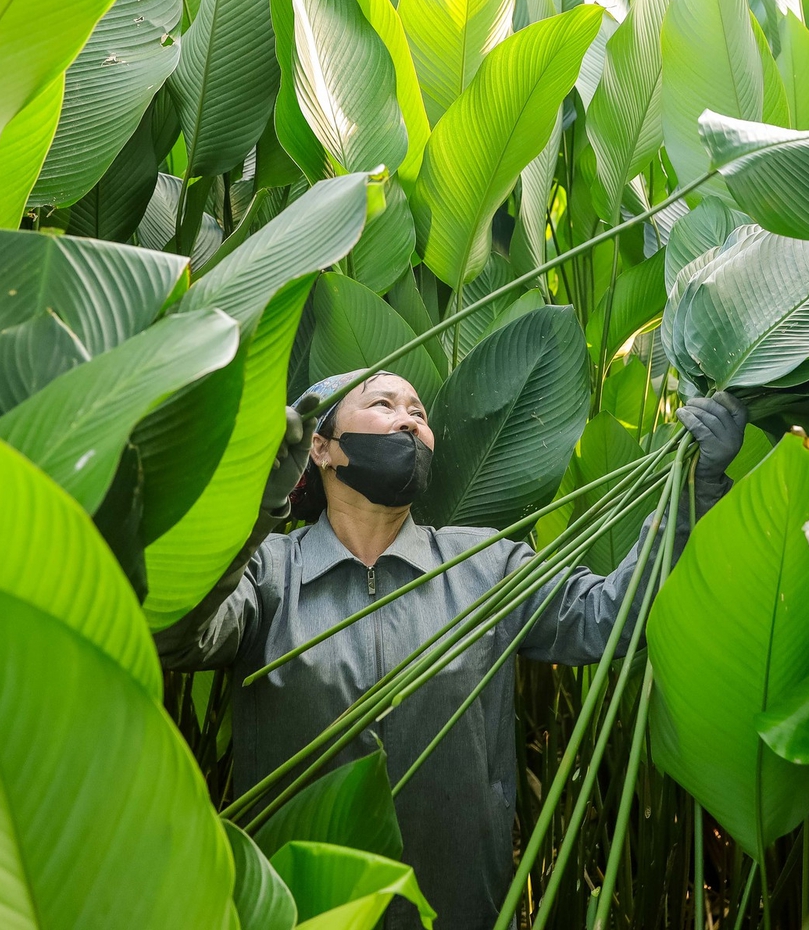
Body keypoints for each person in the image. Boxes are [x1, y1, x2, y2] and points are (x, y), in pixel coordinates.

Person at [156, 369, 747, 930]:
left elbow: (607, 617)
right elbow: (177, 638)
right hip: (302, 908)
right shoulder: (268, 573)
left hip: (460, 906)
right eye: (383, 405)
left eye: (418, 412)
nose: (409, 420)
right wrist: (257, 512)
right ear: (322, 449)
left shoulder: (484, 565)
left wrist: (693, 493)